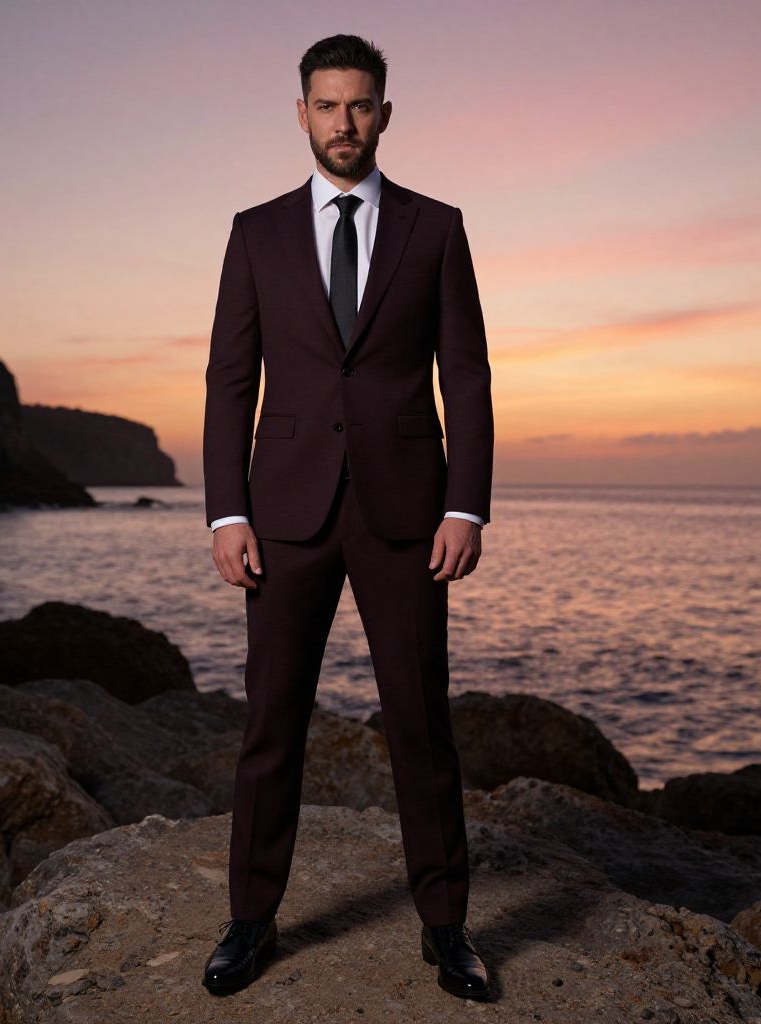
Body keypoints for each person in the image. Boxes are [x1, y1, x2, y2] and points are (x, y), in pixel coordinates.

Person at [201, 33, 495, 1002]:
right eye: (326, 106)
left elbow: (467, 374)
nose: (343, 122)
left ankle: (446, 927)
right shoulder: (256, 232)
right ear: (301, 114)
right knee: (270, 721)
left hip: (408, 512)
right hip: (282, 511)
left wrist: (466, 502)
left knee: (419, 720)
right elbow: (229, 380)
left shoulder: (436, 228)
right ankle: (250, 919)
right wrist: (224, 512)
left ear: (385, 113)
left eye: (360, 105)